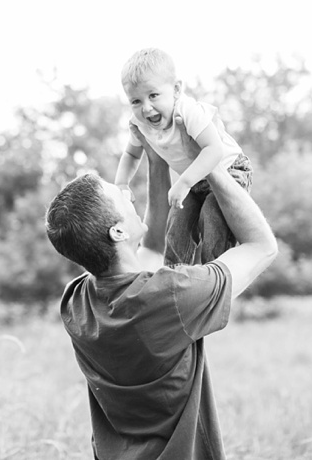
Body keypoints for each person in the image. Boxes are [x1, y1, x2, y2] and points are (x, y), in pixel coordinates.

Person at [45, 118, 278, 459]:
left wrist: (156, 158)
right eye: (119, 195)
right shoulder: (172, 297)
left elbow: (151, 249)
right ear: (118, 233)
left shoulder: (76, 302)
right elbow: (261, 246)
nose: (127, 193)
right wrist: (209, 165)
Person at [114, 47, 253, 266]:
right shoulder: (139, 123)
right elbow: (131, 153)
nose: (147, 108)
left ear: (176, 89)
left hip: (229, 170)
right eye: (136, 101)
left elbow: (213, 149)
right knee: (177, 223)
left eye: (153, 96)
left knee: (212, 217)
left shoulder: (187, 111)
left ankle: (214, 275)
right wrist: (121, 183)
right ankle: (174, 275)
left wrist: (184, 182)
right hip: (195, 182)